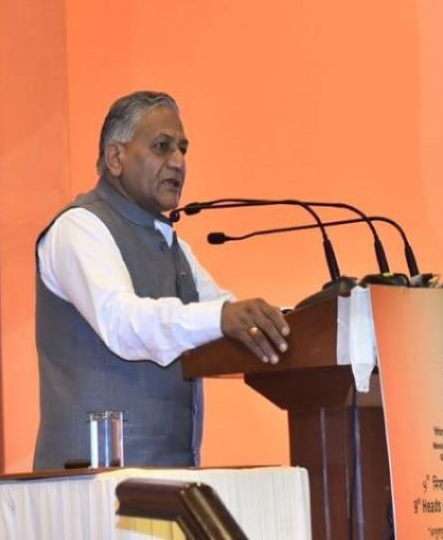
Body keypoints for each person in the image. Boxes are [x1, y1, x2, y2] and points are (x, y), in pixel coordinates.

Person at [33, 91, 290, 470]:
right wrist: (224, 317)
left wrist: (283, 324)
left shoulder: (174, 246)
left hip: (170, 480)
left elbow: (223, 313)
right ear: (116, 157)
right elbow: (121, 323)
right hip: (90, 485)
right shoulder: (79, 228)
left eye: (183, 149)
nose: (178, 162)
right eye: (162, 147)